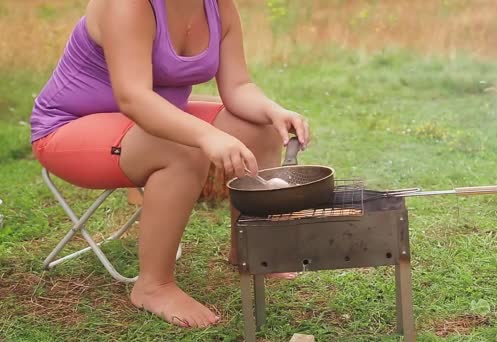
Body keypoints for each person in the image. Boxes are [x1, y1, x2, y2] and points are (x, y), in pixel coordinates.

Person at [29, 0, 310, 328]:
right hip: (70, 128)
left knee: (259, 130)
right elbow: (134, 98)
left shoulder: (218, 7)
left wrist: (273, 111)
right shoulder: (128, 5)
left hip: (146, 125)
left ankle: (249, 250)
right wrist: (205, 135)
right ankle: (154, 285)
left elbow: (238, 87)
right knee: (182, 146)